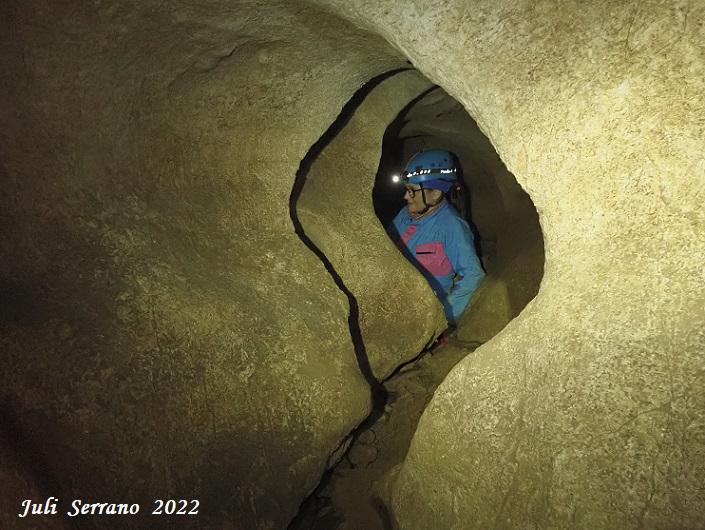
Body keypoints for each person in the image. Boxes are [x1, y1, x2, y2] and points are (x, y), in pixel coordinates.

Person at [387, 149, 485, 326]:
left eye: (412, 190)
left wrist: (442, 319)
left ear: (436, 193)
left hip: (420, 313)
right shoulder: (405, 215)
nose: (405, 196)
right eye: (406, 189)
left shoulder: (451, 226)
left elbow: (473, 274)